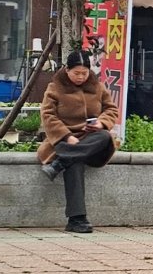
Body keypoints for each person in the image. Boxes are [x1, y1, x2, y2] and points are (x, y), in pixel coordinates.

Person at [37, 48, 119, 234]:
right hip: (64, 140)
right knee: (75, 163)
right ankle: (77, 219)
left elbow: (111, 110)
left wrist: (101, 123)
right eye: (76, 73)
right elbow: (48, 115)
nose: (81, 77)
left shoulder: (98, 87)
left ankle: (61, 161)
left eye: (84, 73)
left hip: (92, 139)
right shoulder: (55, 88)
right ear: (67, 70)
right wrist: (67, 136)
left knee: (105, 136)